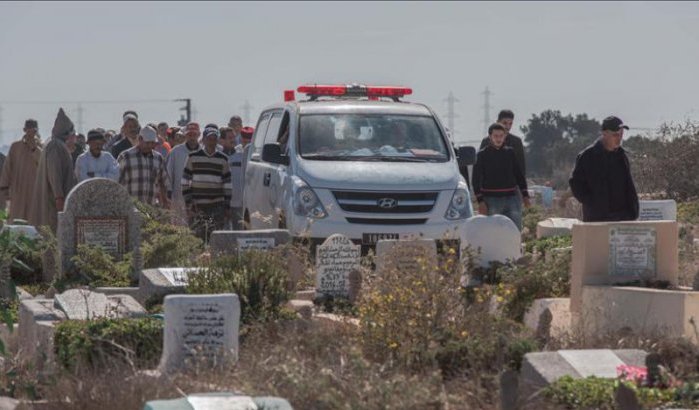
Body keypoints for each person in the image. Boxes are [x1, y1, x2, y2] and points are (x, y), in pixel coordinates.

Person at [569, 116, 639, 222]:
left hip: (621, 219)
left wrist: (632, 211)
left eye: (621, 134)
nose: (619, 138)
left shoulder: (621, 156)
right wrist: (594, 204)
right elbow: (576, 185)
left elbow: (628, 186)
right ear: (604, 133)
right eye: (615, 135)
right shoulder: (588, 156)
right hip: (597, 220)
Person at [472, 123, 530, 230]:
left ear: (505, 137)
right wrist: (480, 201)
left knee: (515, 230)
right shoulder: (482, 155)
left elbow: (518, 174)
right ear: (490, 137)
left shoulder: (510, 153)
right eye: (495, 136)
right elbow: (475, 180)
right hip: (491, 200)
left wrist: (525, 195)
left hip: (511, 199)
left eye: (501, 136)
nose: (498, 139)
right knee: (493, 231)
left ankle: (515, 247)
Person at [30, 108, 78, 232]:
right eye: (73, 135)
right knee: (53, 236)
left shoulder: (56, 145)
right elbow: (54, 173)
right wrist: (59, 198)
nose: (75, 139)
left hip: (57, 201)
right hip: (54, 203)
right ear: (68, 134)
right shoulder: (55, 146)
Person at [182, 126, 231, 240]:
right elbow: (184, 181)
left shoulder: (223, 159)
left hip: (217, 205)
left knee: (215, 237)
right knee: (197, 238)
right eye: (209, 138)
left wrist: (227, 206)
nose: (212, 141)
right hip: (197, 205)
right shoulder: (193, 157)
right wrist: (188, 202)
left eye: (214, 139)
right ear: (203, 140)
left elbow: (228, 184)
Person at [0, 119, 43, 222]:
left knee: (34, 221)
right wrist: (4, 187)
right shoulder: (15, 147)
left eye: (33, 130)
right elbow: (7, 168)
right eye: (28, 129)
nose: (31, 133)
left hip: (35, 192)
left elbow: (43, 164)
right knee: (16, 219)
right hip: (18, 191)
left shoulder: (41, 147)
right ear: (24, 130)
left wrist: (34, 147)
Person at [117, 125, 169, 207]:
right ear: (140, 139)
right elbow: (117, 182)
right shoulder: (125, 156)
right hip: (130, 207)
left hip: (151, 208)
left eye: (152, 143)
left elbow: (162, 182)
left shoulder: (158, 158)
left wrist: (165, 202)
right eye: (147, 143)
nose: (150, 146)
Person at [165, 122, 201, 225]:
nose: (192, 137)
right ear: (185, 135)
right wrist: (169, 193)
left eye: (194, 134)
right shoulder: (175, 152)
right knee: (179, 228)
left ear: (199, 135)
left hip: (199, 197)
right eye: (189, 135)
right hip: (179, 197)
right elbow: (168, 174)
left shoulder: (203, 151)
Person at [479, 109, 526, 179]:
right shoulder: (486, 141)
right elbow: (480, 166)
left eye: (510, 124)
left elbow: (521, 167)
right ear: (498, 122)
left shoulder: (516, 142)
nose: (507, 127)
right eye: (505, 123)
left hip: (511, 185)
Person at [228, 126, 254, 229]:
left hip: (252, 198)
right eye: (244, 138)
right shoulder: (234, 153)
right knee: (236, 228)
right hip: (236, 198)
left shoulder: (257, 153)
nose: (246, 141)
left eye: (249, 138)